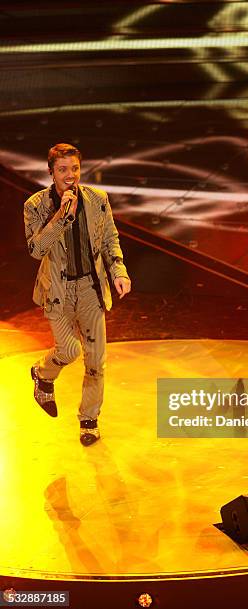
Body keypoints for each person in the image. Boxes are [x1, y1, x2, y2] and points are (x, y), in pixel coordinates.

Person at [24, 143, 131, 446]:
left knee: (96, 359)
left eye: (75, 169)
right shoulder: (35, 205)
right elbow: (35, 250)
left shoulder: (98, 200)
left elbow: (110, 238)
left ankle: (89, 419)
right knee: (69, 350)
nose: (70, 176)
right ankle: (43, 374)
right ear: (51, 172)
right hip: (57, 289)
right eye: (62, 170)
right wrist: (60, 216)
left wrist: (119, 272)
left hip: (89, 287)